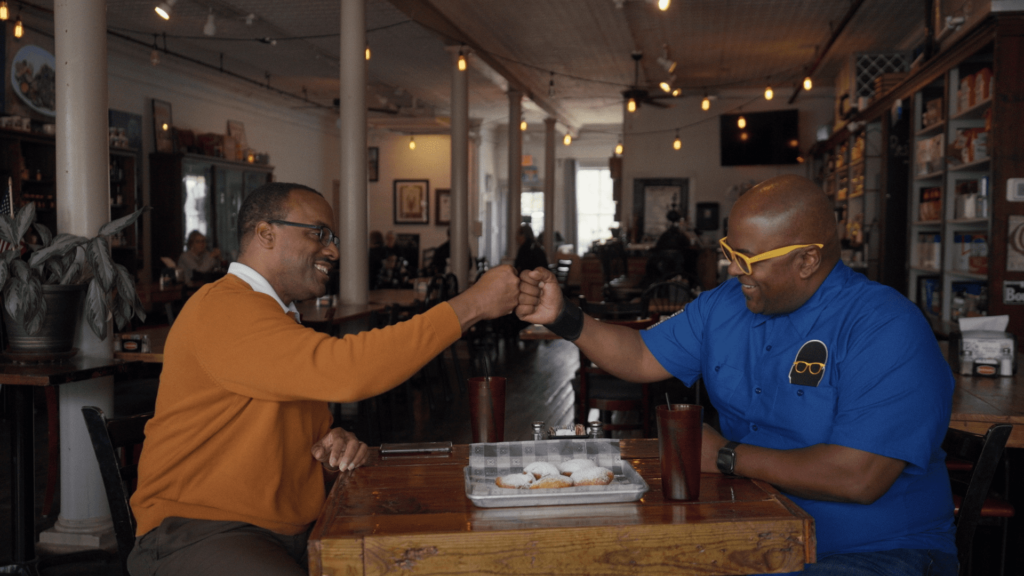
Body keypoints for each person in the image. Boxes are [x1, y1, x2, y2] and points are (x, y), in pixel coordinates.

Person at [516, 174, 957, 576]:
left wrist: (726, 455)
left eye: (748, 259)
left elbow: (859, 477)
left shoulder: (885, 326)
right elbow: (640, 355)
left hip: (874, 551)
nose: (733, 269)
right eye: (730, 252)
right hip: (750, 533)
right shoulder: (725, 304)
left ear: (807, 260)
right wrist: (564, 317)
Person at [128, 183, 520, 576]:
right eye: (318, 234)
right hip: (198, 531)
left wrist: (333, 445)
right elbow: (347, 370)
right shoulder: (224, 307)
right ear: (266, 234)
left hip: (285, 529)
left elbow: (285, 428)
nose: (332, 250)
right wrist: (471, 305)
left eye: (332, 238)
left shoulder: (276, 317)